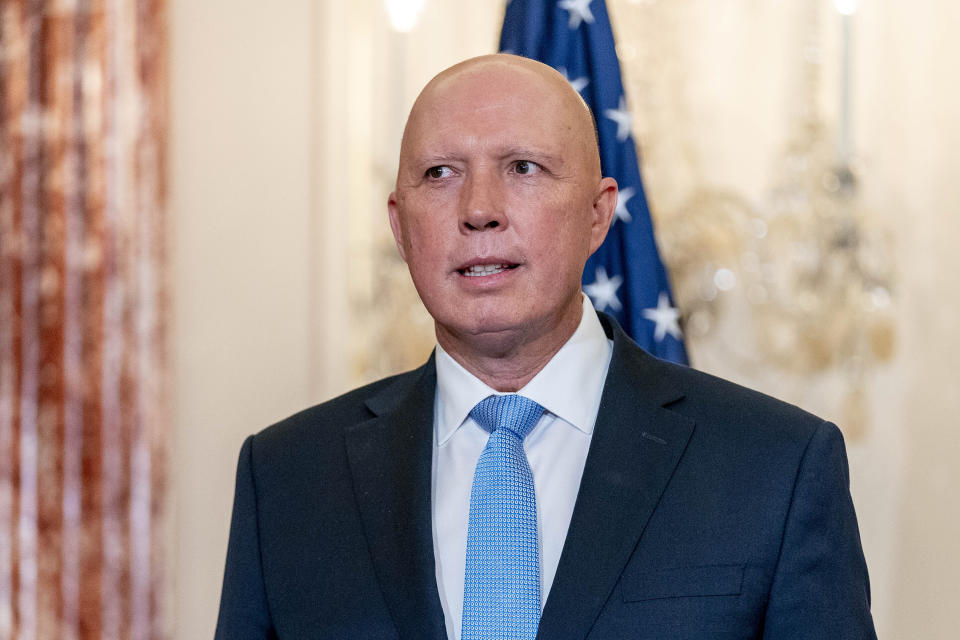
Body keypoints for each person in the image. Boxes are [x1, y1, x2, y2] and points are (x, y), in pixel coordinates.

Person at [215, 54, 876, 639]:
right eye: (441, 173)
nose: (479, 208)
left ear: (597, 215)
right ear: (399, 224)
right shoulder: (286, 479)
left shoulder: (775, 466)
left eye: (523, 167)